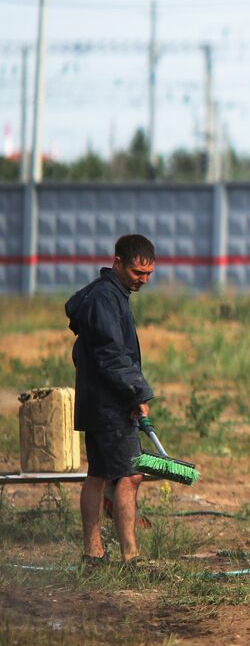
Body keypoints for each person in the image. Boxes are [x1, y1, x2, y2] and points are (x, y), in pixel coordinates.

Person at [66, 233, 157, 565]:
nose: (143, 280)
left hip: (100, 403)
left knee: (99, 474)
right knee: (131, 475)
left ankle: (93, 554)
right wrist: (138, 393)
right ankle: (131, 557)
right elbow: (111, 355)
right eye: (137, 272)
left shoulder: (108, 294)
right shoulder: (105, 298)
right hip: (109, 406)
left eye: (148, 274)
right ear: (117, 262)